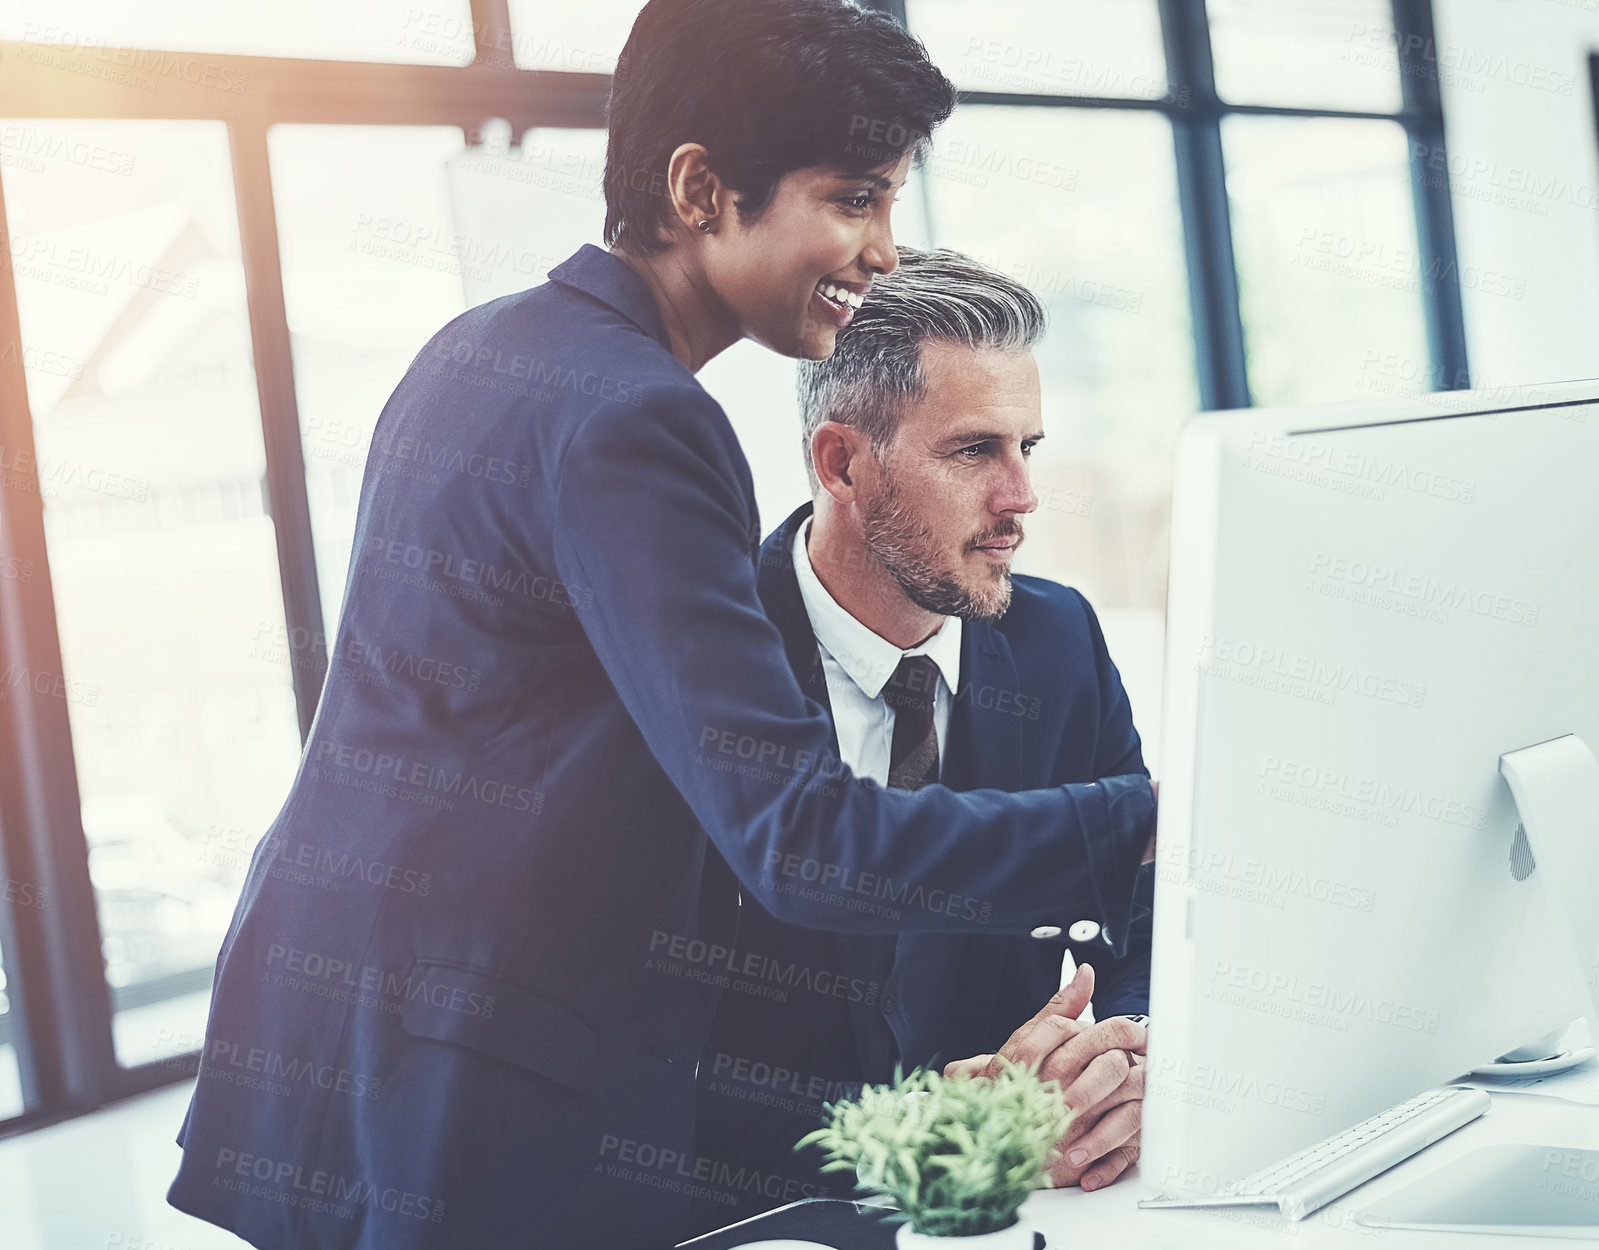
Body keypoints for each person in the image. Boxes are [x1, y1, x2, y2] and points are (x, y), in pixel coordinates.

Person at [165, 4, 1156, 1248]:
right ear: (700, 188)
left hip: (348, 1027)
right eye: (854, 197)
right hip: (471, 1056)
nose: (883, 249)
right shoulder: (641, 418)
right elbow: (796, 836)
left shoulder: (483, 348)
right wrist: (1144, 818)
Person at [686, 248, 1151, 1236]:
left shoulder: (1056, 640)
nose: (1022, 496)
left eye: (1028, 444)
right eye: (975, 450)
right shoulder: (703, 666)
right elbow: (656, 1061)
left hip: (1048, 1209)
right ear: (842, 462)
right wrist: (938, 1121)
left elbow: (1141, 917)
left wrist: (1119, 1060)